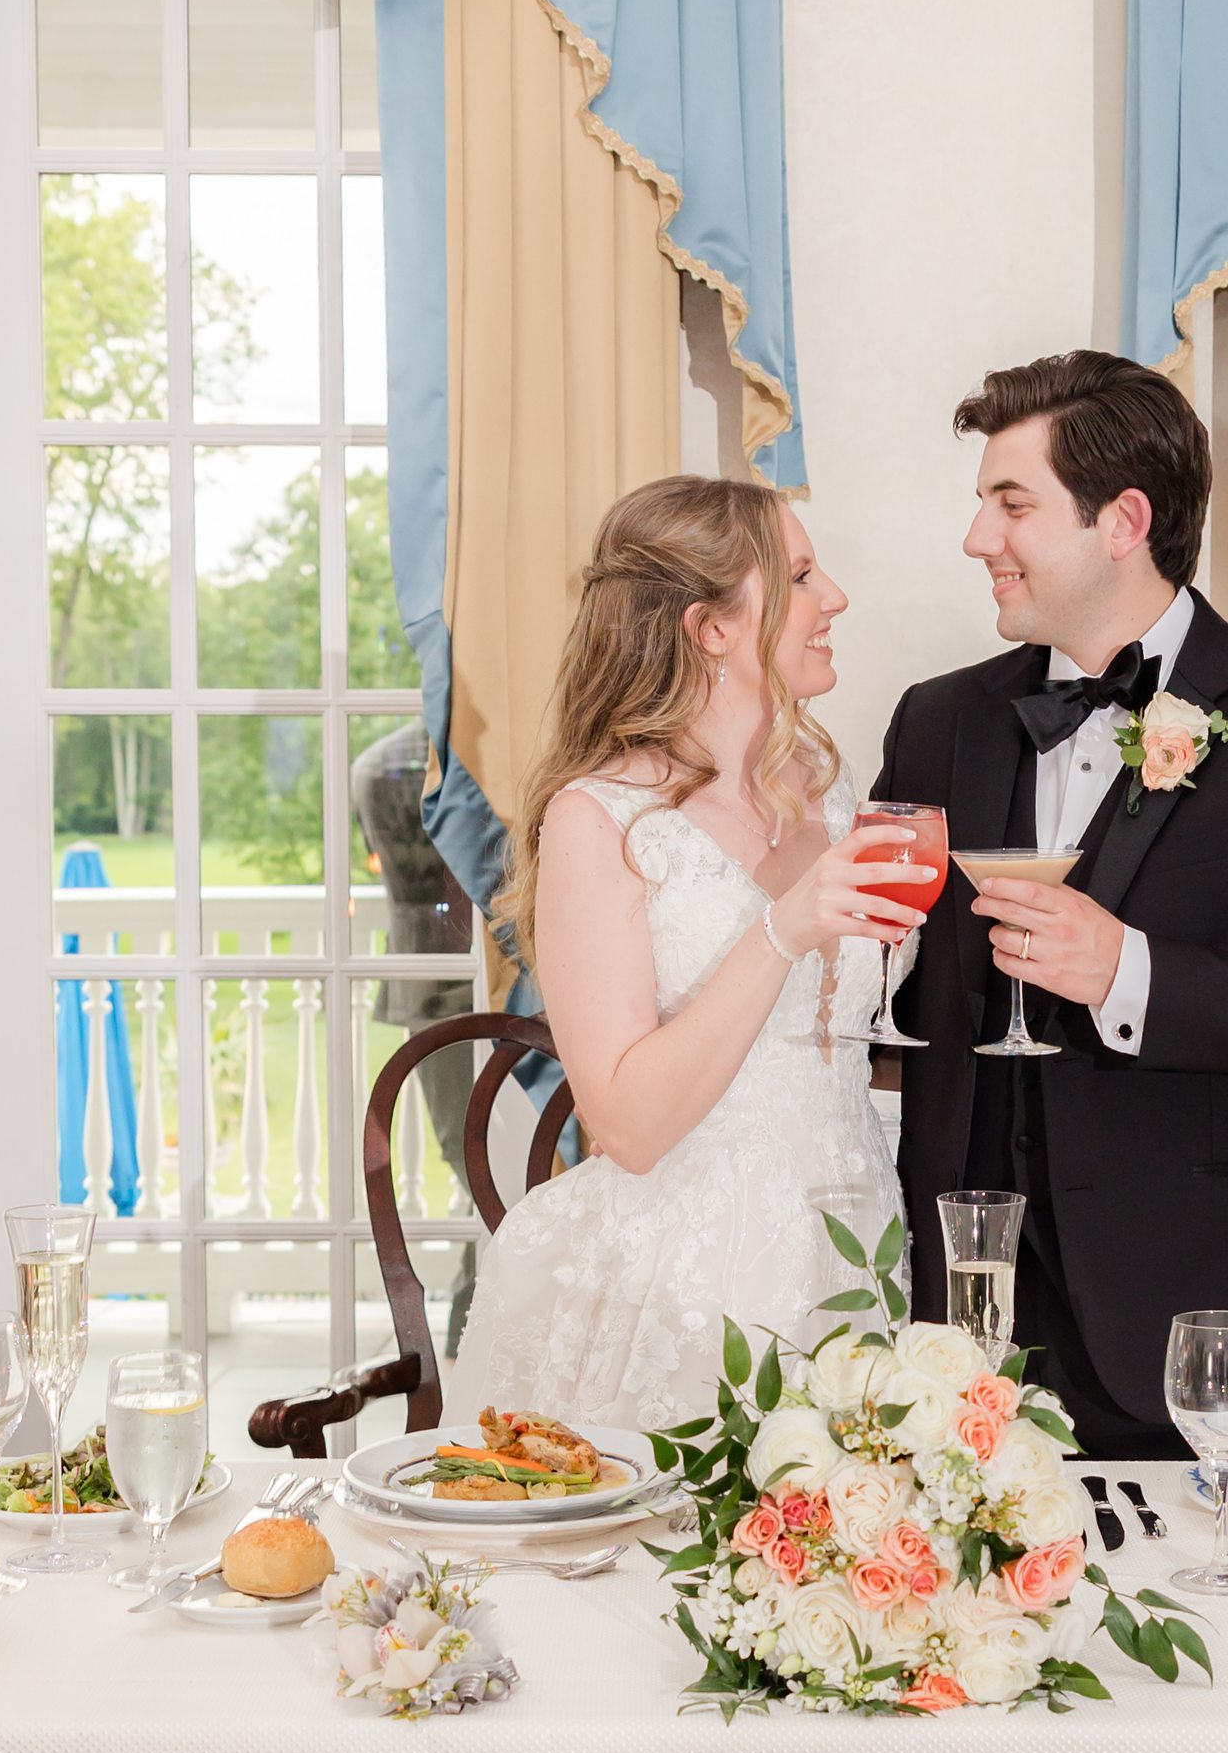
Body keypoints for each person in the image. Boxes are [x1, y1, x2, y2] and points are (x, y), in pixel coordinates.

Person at [877, 350, 1228, 1453]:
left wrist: (1131, 972)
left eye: (1011, 503)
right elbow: (891, 979)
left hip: (1208, 1320)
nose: (979, 538)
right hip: (968, 1328)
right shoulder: (937, 723)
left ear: (1122, 520)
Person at [448, 477, 926, 1430]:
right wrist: (783, 929)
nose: (833, 596)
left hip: (861, 1241)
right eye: (799, 575)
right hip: (684, 1282)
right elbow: (626, 1125)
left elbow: (844, 1050)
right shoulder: (601, 820)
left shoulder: (831, 799)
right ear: (711, 628)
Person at [350, 724, 481, 1359]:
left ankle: (474, 1303)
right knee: (469, 1151)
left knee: (481, 1151)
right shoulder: (397, 768)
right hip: (442, 982)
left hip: (443, 980)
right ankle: (473, 1305)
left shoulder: (380, 765)